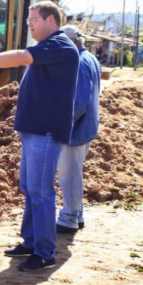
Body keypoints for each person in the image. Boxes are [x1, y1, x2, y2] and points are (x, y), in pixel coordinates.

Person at [0, 1, 79, 271]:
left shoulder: (60, 45)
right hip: (34, 131)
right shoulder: (50, 48)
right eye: (29, 20)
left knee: (41, 191)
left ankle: (45, 252)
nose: (30, 24)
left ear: (50, 20)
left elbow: (21, 56)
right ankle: (31, 241)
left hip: (45, 132)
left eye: (33, 19)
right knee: (29, 187)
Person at [56, 25, 101, 234]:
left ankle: (70, 218)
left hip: (76, 129)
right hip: (87, 127)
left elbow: (78, 103)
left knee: (69, 174)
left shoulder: (79, 63)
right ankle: (78, 213)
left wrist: (64, 125)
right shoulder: (89, 58)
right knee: (74, 171)